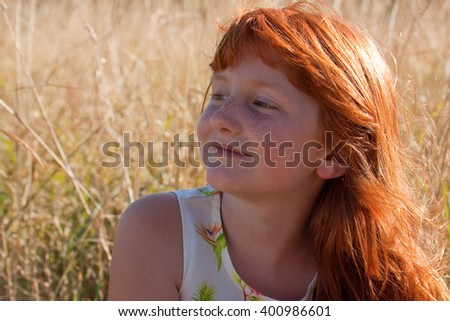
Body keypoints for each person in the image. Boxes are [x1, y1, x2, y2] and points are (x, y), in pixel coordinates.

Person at [108, 1, 450, 300]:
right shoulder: (161, 233)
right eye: (218, 94)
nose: (222, 119)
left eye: (261, 103)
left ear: (335, 154)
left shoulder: (375, 270)